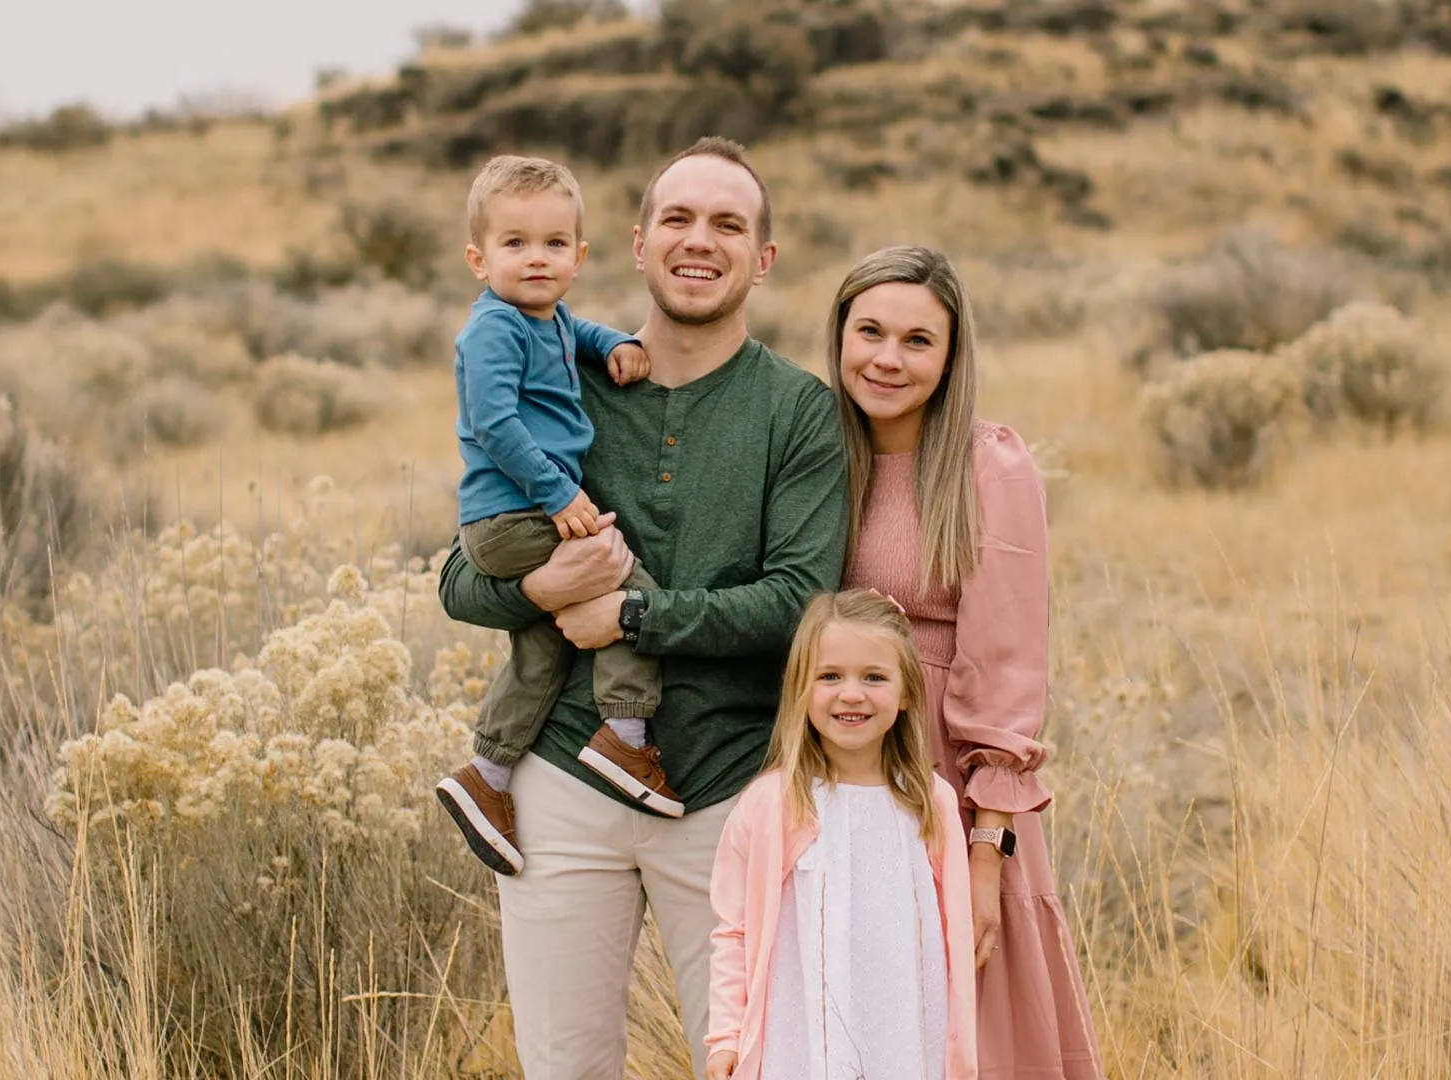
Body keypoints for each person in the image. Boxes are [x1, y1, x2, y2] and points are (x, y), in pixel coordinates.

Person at [436, 136, 849, 1079]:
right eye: (678, 218)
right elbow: (460, 580)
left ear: (764, 257)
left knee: (750, 1061)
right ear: (633, 244)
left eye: (728, 224)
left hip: (728, 786)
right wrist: (544, 590)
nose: (699, 241)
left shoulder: (797, 412)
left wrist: (625, 618)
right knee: (564, 1065)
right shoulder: (557, 379)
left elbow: (798, 606)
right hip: (561, 788)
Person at [826, 245, 1103, 1078]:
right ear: (838, 335)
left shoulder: (989, 465)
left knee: (968, 1019)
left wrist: (988, 851)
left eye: (918, 340)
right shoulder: (811, 450)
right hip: (830, 764)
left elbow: (1010, 662)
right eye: (869, 331)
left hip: (949, 777)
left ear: (951, 357)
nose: (887, 358)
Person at [435, 154, 685, 880]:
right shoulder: (493, 330)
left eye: (552, 244)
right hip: (514, 514)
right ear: (479, 260)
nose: (535, 259)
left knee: (544, 644)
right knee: (626, 584)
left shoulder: (547, 317)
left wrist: (617, 346)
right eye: (515, 244)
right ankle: (624, 732)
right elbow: (494, 423)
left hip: (518, 513)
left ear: (578, 257)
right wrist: (558, 495)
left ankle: (489, 773)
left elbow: (581, 334)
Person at [704, 589, 978, 1080]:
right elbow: (734, 928)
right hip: (801, 1042)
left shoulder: (929, 802)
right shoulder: (772, 804)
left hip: (906, 1038)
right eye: (830, 676)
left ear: (908, 691)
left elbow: (952, 934)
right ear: (799, 689)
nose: (851, 694)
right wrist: (725, 1036)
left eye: (874, 677)